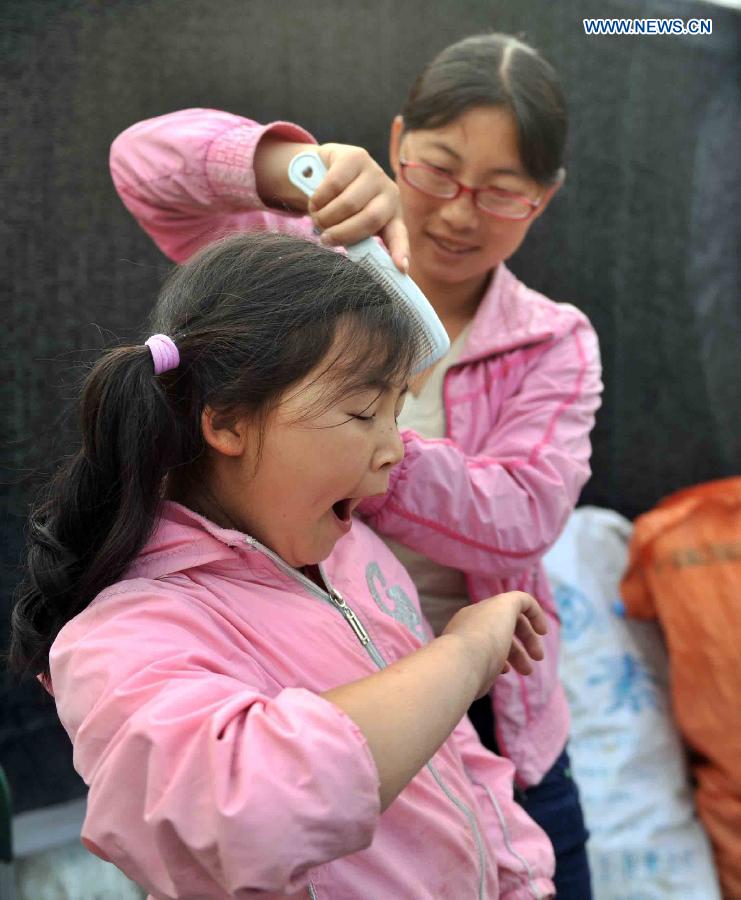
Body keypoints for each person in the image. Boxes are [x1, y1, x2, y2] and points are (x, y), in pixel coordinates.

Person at [108, 33, 602, 896]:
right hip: (316, 674)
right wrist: (299, 169)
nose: (456, 212)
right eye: (437, 172)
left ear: (546, 198)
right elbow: (144, 164)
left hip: (491, 713)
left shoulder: (553, 339)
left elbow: (525, 513)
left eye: (500, 193)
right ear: (397, 140)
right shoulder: (306, 263)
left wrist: (353, 444)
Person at [10, 231, 556, 899]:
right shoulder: (127, 633)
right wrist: (463, 656)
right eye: (362, 411)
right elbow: (242, 808)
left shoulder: (352, 552)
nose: (393, 450)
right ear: (230, 423)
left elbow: (450, 761)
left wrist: (520, 877)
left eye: (394, 411)